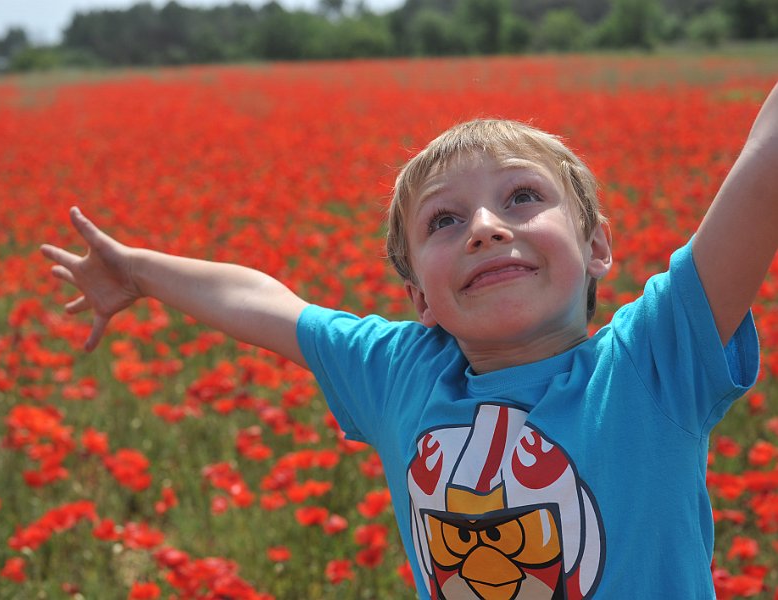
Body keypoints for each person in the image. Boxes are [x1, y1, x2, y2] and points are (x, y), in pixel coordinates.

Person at [41, 82, 777, 599]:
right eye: (444, 221)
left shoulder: (652, 365)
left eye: (522, 196)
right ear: (419, 296)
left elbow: (762, 176)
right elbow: (263, 302)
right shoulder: (403, 374)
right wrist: (137, 271)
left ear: (596, 248)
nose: (487, 227)